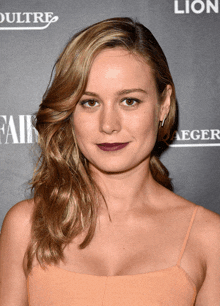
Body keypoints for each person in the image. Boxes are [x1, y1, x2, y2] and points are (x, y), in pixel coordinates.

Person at [0, 17, 220, 306]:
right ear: (70, 112)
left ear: (163, 104)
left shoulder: (209, 237)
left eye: (129, 101)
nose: (108, 125)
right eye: (89, 102)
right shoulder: (27, 226)